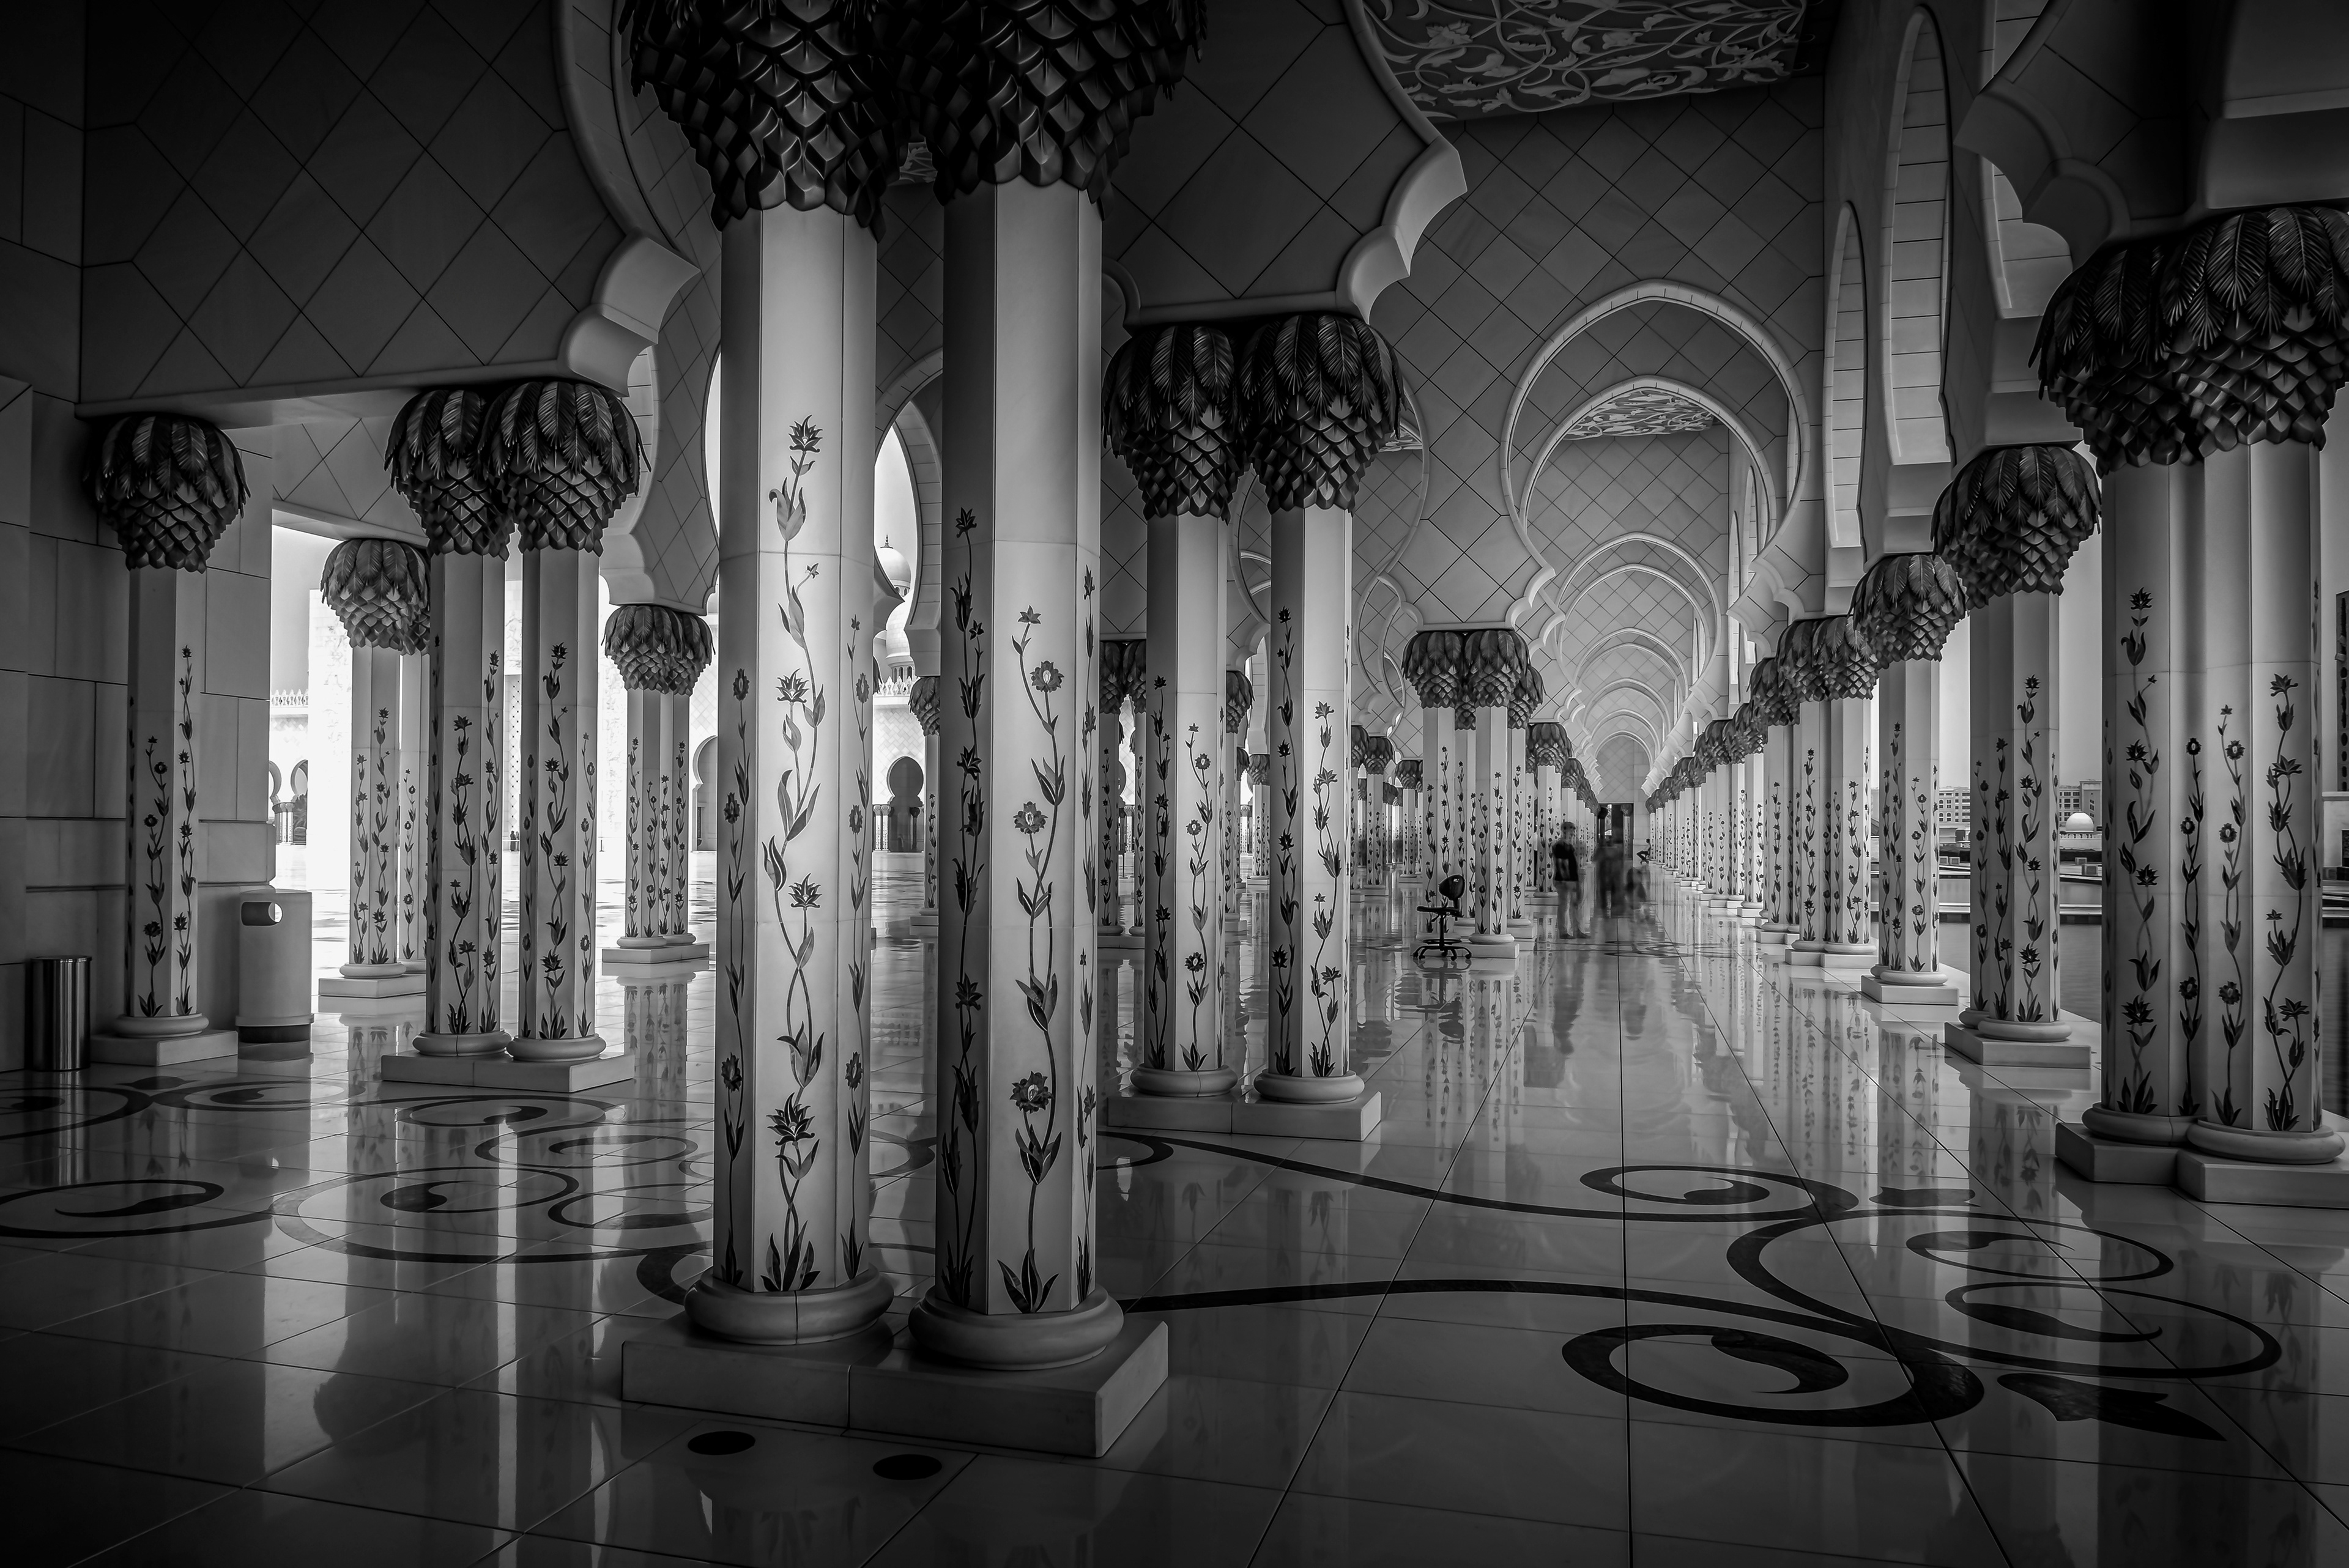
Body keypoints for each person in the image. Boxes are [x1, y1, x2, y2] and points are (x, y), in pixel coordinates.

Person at [1551, 831, 1584, 936]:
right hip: (1565, 881)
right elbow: (1561, 864)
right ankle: (1564, 931)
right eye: (1571, 831)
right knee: (1564, 905)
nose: (1572, 834)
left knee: (1574, 905)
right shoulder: (1561, 845)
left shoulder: (1568, 845)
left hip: (1570, 880)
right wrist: (1567, 879)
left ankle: (1576, 930)